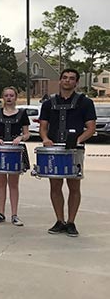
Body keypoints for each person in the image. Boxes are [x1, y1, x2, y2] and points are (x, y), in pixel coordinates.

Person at [39, 69, 96, 237]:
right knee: (55, 186)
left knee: (74, 186)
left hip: (75, 150)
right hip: (54, 149)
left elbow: (91, 128)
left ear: (76, 82)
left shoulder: (85, 102)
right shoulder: (48, 103)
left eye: (71, 78)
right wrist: (45, 139)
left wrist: (77, 140)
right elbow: (43, 127)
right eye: (64, 78)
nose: (67, 81)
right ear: (60, 80)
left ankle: (71, 222)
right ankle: (59, 220)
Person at [0, 87, 31, 226]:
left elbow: (27, 134)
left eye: (11, 95)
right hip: (0, 150)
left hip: (15, 150)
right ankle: (1, 213)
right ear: (3, 97)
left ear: (16, 97)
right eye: (6, 95)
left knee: (13, 184)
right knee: (0, 183)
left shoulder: (22, 114)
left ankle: (14, 215)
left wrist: (20, 137)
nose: (9, 98)